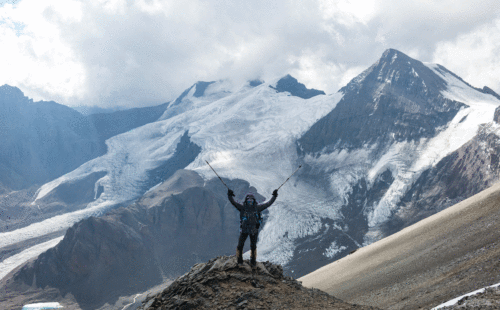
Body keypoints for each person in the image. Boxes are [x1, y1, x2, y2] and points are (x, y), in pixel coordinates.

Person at [227, 188, 278, 267]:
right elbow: (233, 202)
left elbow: (269, 203)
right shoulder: (247, 208)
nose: (250, 202)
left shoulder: (250, 208)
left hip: (251, 230)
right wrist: (229, 195)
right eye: (248, 201)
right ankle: (240, 260)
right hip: (247, 230)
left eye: (251, 200)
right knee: (241, 245)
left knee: (252, 246)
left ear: (253, 201)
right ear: (247, 201)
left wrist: (274, 196)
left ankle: (252, 261)